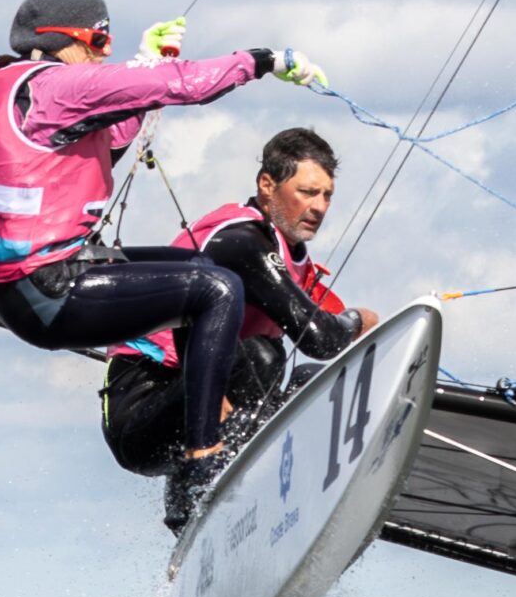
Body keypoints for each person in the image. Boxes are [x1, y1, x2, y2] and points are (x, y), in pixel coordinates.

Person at [0, 0, 328, 527]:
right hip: (46, 288)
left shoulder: (12, 89)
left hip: (37, 280)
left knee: (205, 273)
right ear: (62, 38)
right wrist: (262, 60)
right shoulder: (52, 86)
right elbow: (182, 85)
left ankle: (191, 459)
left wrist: (145, 62)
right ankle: (203, 460)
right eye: (99, 40)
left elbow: (107, 141)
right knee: (218, 290)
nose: (106, 51)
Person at [103, 127, 381, 527]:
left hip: (197, 408)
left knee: (309, 385)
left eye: (327, 195)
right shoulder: (242, 241)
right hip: (140, 411)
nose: (319, 207)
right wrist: (358, 319)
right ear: (267, 185)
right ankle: (201, 499)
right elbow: (319, 339)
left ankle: (205, 511)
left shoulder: (288, 252)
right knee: (262, 357)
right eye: (307, 192)